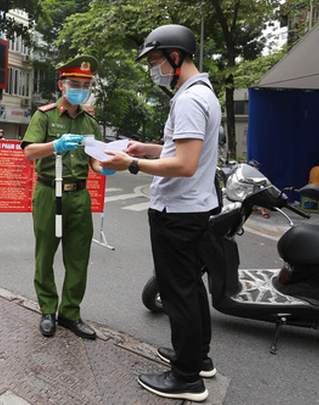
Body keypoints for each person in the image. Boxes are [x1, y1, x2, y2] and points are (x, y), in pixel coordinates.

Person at [100, 24, 220, 402]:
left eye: (155, 61)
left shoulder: (187, 100)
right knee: (190, 286)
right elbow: (182, 149)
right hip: (195, 208)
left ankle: (186, 378)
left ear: (176, 56)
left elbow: (184, 164)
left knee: (176, 291)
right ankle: (198, 358)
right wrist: (146, 149)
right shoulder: (204, 94)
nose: (154, 69)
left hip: (177, 211)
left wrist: (129, 165)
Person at [21, 54, 113, 340]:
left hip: (79, 196)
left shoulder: (90, 122)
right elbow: (29, 152)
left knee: (78, 257)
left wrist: (105, 166)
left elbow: (94, 161)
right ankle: (48, 310)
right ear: (62, 85)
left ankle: (70, 313)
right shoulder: (45, 115)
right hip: (49, 192)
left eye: (85, 84)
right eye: (75, 83)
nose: (81, 89)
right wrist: (55, 145)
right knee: (45, 253)